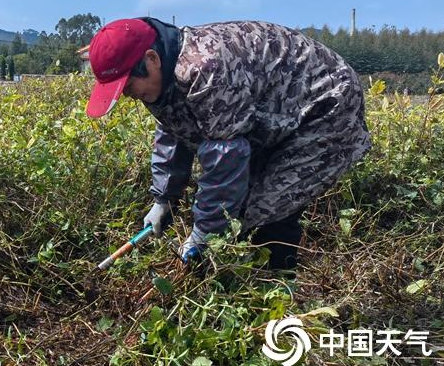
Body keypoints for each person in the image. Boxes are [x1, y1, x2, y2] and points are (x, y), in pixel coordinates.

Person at [86, 17, 371, 269]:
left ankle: (278, 286)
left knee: (267, 206)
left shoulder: (205, 67)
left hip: (325, 104)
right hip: (271, 111)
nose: (127, 96)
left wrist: (204, 234)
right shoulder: (161, 73)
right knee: (238, 203)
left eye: (127, 86)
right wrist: (164, 200)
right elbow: (175, 128)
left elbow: (225, 157)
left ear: (152, 59)